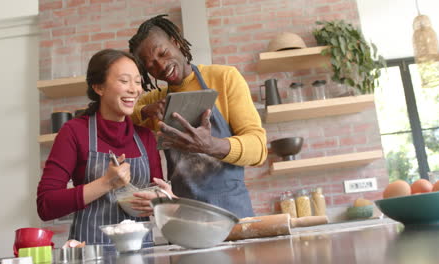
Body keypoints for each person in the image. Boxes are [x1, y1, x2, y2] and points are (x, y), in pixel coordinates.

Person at [128, 14, 267, 218]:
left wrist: (210, 145)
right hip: (183, 217)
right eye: (151, 67)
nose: (161, 66)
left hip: (232, 214)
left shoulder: (224, 78)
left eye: (163, 53)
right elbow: (117, 115)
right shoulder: (157, 101)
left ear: (176, 42)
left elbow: (258, 149)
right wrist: (143, 111)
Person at [36, 49, 164, 245]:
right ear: (98, 87)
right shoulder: (74, 132)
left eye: (137, 82)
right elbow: (46, 205)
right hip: (90, 252)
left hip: (142, 254)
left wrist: (160, 200)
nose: (134, 89)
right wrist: (106, 183)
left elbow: (159, 195)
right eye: (124, 81)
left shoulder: (145, 137)